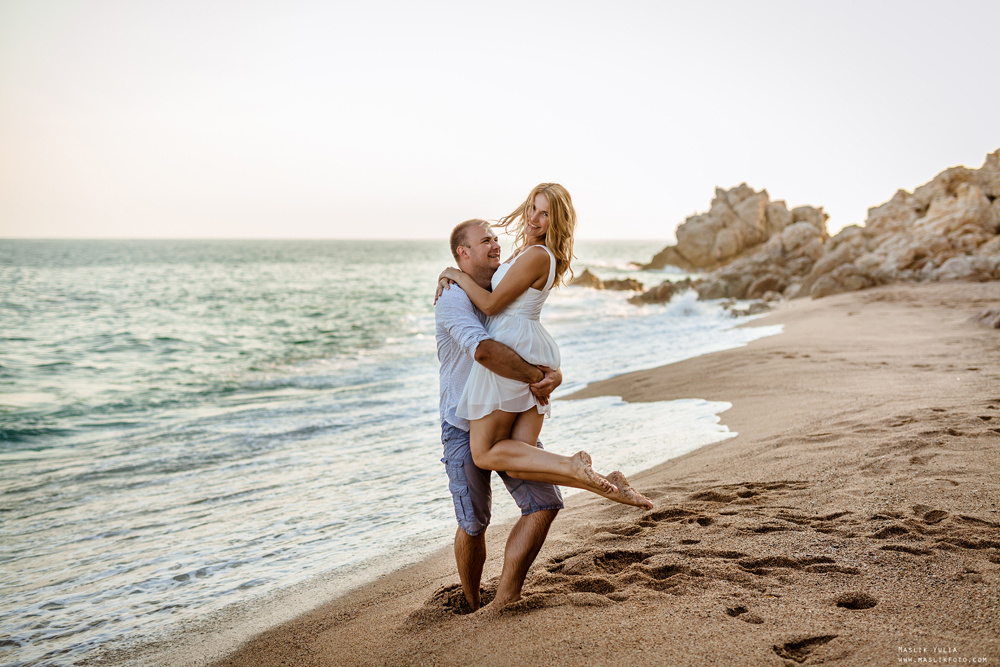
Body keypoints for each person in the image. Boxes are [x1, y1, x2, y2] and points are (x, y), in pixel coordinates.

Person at [437, 184, 654, 511]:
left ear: (558, 221)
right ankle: (608, 484)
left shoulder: (538, 255)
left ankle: (572, 464)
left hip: (510, 345)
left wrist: (454, 273)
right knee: (520, 462)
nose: (535, 219)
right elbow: (495, 287)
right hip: (525, 342)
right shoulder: (527, 251)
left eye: (545, 214)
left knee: (484, 452)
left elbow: (492, 305)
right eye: (533, 209)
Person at [436, 218, 565, 612]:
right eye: (485, 240)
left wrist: (554, 373)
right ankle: (472, 602)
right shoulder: (453, 299)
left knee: (544, 502)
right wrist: (537, 377)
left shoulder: (501, 287)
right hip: (462, 424)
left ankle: (507, 596)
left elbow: (526, 337)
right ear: (463, 253)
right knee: (474, 523)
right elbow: (486, 351)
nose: (495, 244)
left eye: (495, 238)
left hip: (507, 415)